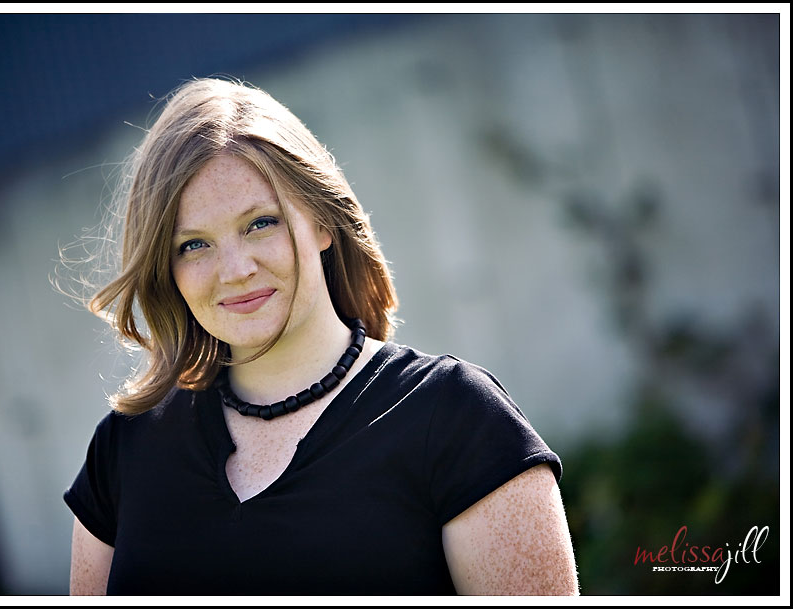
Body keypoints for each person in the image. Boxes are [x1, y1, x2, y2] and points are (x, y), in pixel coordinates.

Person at [62, 77, 579, 596]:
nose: (236, 270)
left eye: (260, 223)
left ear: (323, 222)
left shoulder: (456, 418)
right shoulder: (124, 448)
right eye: (194, 245)